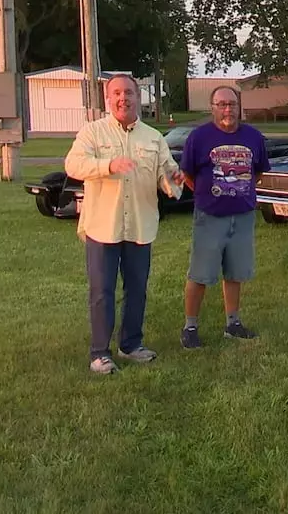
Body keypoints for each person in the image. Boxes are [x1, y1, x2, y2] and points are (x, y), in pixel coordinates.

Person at [64, 73, 184, 374]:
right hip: (103, 227)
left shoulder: (154, 137)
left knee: (137, 289)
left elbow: (166, 174)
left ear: (137, 97)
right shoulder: (92, 133)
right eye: (116, 93)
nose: (123, 98)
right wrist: (108, 165)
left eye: (129, 93)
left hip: (140, 227)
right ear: (108, 98)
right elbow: (73, 165)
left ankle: (130, 345)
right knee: (102, 291)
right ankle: (100, 353)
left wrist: (173, 181)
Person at [179, 86, 270, 348]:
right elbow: (188, 174)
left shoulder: (253, 137)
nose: (227, 110)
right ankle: (190, 326)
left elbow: (258, 173)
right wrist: (210, 195)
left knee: (235, 272)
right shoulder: (199, 137)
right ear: (213, 108)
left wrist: (239, 192)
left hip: (242, 217)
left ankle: (233, 323)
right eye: (221, 105)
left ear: (239, 106)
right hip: (209, 217)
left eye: (231, 104)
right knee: (200, 274)